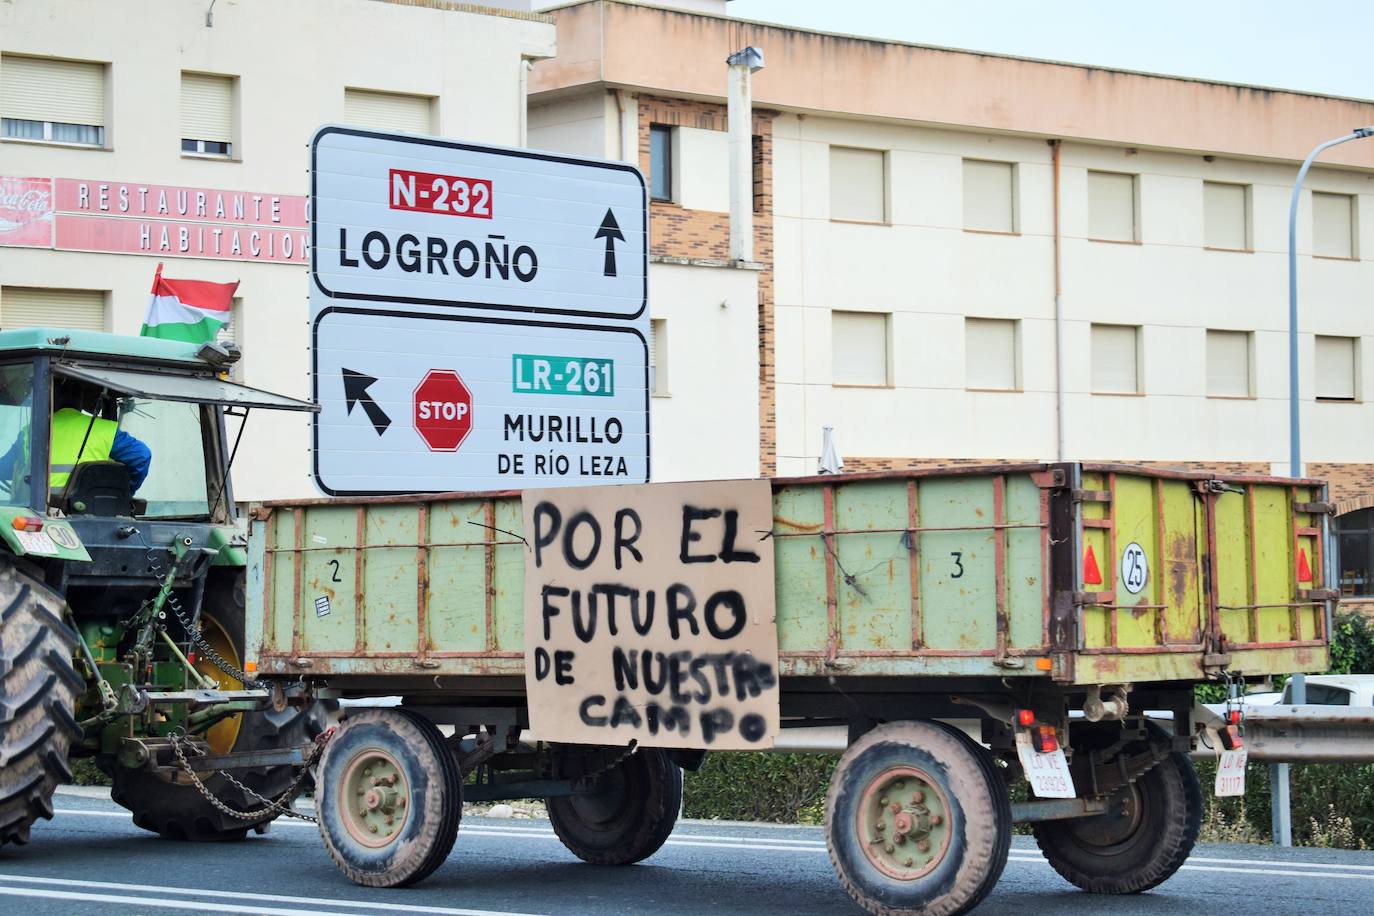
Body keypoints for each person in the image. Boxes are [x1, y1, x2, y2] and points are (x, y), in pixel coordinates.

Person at [48, 384, 152, 495]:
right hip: (88, 508)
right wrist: (122, 493)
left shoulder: (31, 430)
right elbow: (141, 456)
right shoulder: (102, 429)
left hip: (38, 509)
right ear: (81, 400)